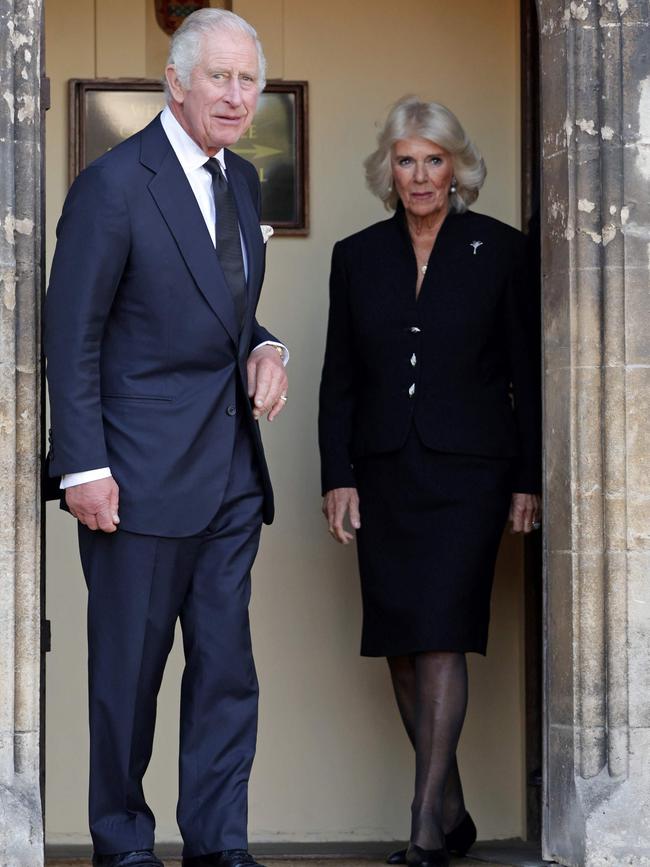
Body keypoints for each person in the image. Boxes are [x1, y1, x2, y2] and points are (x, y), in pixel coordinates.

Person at [44, 10, 288, 867]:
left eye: (247, 80)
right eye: (218, 77)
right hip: (133, 482)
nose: (235, 94)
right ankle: (122, 846)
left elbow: (235, 315)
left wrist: (267, 346)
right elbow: (70, 337)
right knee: (128, 681)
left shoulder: (244, 182)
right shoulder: (113, 184)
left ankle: (220, 847)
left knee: (226, 676)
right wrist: (82, 468)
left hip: (229, 478)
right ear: (175, 82)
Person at [319, 97, 541, 867]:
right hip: (383, 474)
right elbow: (337, 380)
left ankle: (423, 827)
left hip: (470, 475)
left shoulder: (501, 251)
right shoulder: (356, 255)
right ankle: (451, 806)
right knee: (401, 646)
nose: (420, 175)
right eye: (407, 160)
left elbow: (526, 375)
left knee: (443, 633)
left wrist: (528, 478)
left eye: (434, 159)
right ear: (390, 169)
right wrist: (337, 476)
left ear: (457, 168)